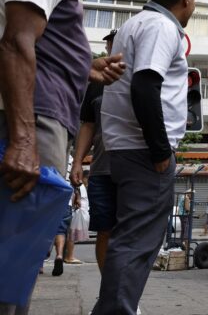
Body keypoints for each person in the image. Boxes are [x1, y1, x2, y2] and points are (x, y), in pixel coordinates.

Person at [0, 0, 124, 313]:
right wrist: (23, 140)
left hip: (42, 116)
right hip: (33, 119)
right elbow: (16, 43)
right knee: (13, 255)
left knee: (19, 259)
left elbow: (39, 45)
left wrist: (84, 68)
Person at [92, 0, 195, 315]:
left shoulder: (133, 25)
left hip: (125, 147)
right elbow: (145, 85)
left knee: (128, 241)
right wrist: (160, 148)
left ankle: (110, 308)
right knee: (135, 243)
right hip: (143, 151)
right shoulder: (161, 27)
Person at [70, 29, 119, 272]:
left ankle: (127, 296)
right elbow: (88, 124)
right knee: (105, 232)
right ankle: (109, 292)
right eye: (110, 43)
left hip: (135, 169)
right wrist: (78, 161)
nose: (112, 47)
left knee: (132, 234)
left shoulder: (140, 75)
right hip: (101, 169)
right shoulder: (96, 82)